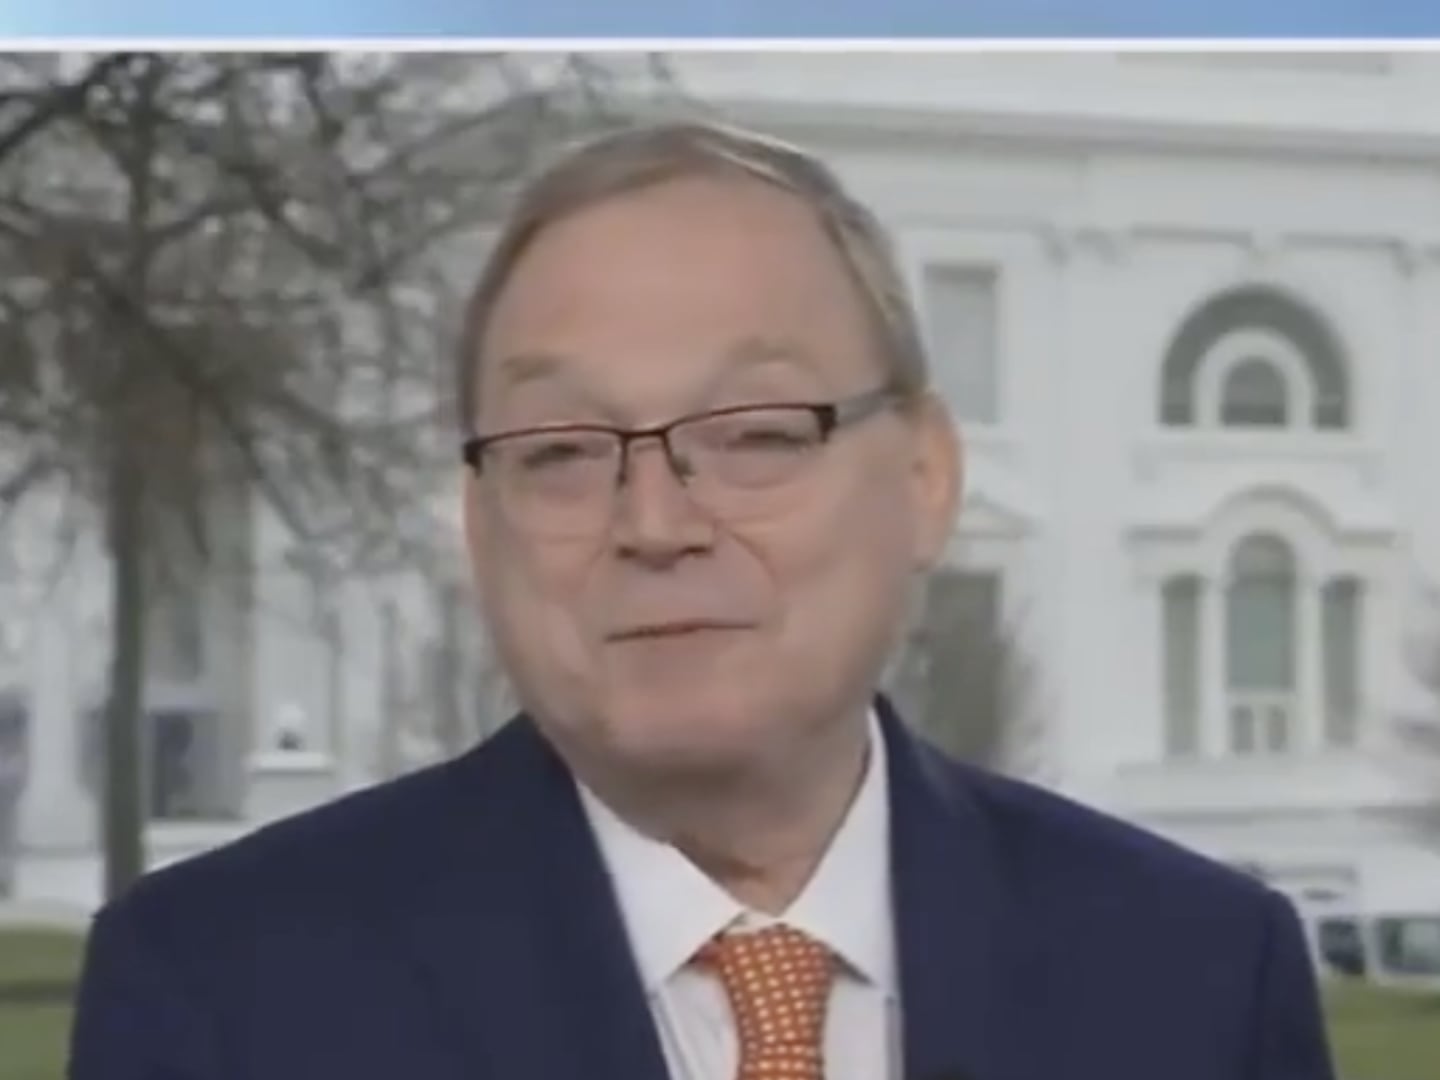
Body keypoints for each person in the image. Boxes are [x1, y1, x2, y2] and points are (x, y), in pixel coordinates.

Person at [70, 120, 1336, 1080]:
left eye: (756, 433)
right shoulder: (220, 995)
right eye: (561, 450)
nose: (657, 523)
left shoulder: (1201, 979)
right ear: (479, 519)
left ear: (925, 477)